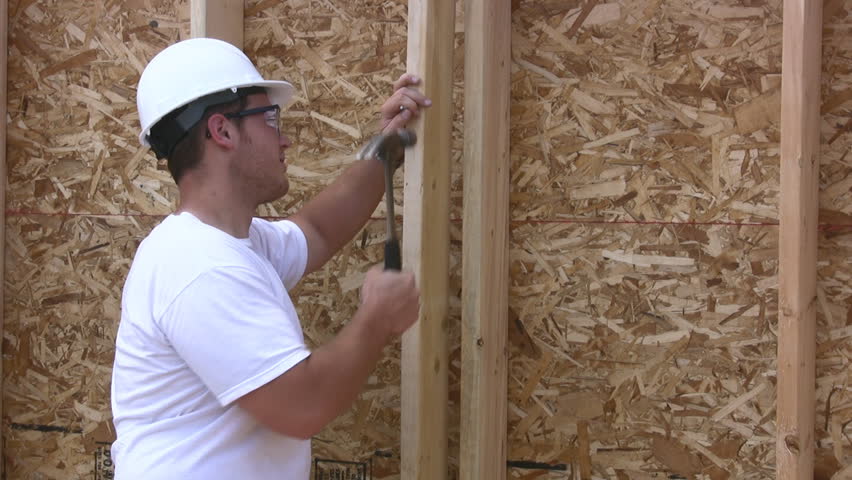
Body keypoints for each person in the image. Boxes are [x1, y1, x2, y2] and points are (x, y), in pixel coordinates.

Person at [110, 37, 430, 479]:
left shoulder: (233, 243)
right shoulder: (200, 266)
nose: (285, 138)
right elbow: (303, 406)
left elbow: (316, 229)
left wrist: (387, 144)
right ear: (222, 131)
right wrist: (376, 320)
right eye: (270, 119)